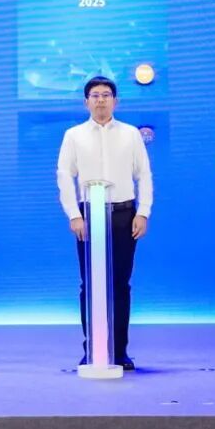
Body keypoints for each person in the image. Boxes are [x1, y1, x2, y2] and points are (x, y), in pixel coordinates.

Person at [57, 76, 153, 371]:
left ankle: (120, 350)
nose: (101, 100)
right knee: (90, 284)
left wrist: (143, 212)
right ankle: (93, 348)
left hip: (124, 214)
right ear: (86, 102)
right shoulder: (74, 135)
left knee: (120, 284)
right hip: (90, 216)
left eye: (106, 95)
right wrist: (74, 215)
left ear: (115, 101)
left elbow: (144, 175)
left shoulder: (130, 134)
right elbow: (64, 175)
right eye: (95, 95)